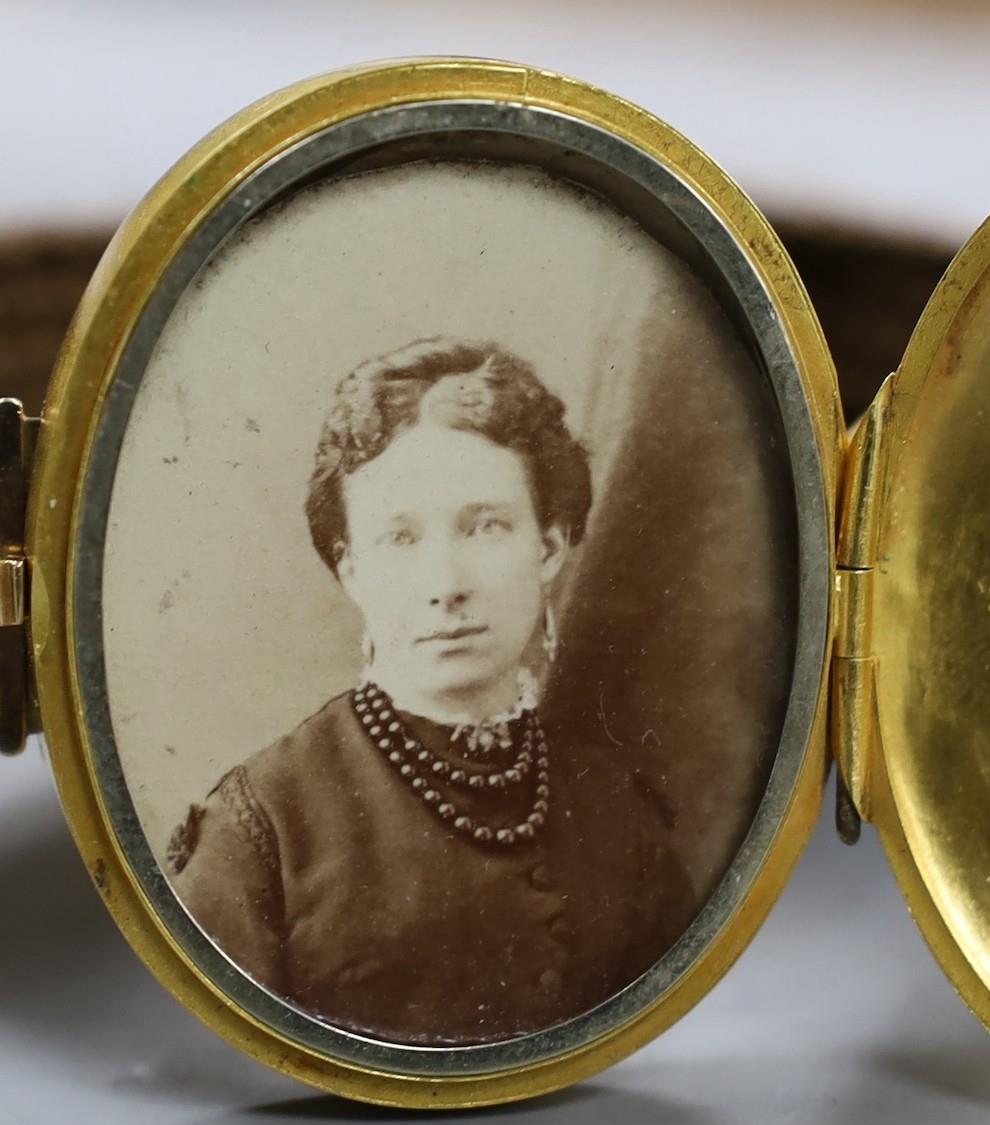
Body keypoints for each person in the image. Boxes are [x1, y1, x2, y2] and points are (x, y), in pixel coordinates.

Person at [166, 337, 697, 1046]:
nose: (447, 584)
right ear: (351, 569)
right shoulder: (262, 828)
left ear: (549, 546)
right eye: (400, 538)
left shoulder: (617, 813)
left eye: (485, 526)